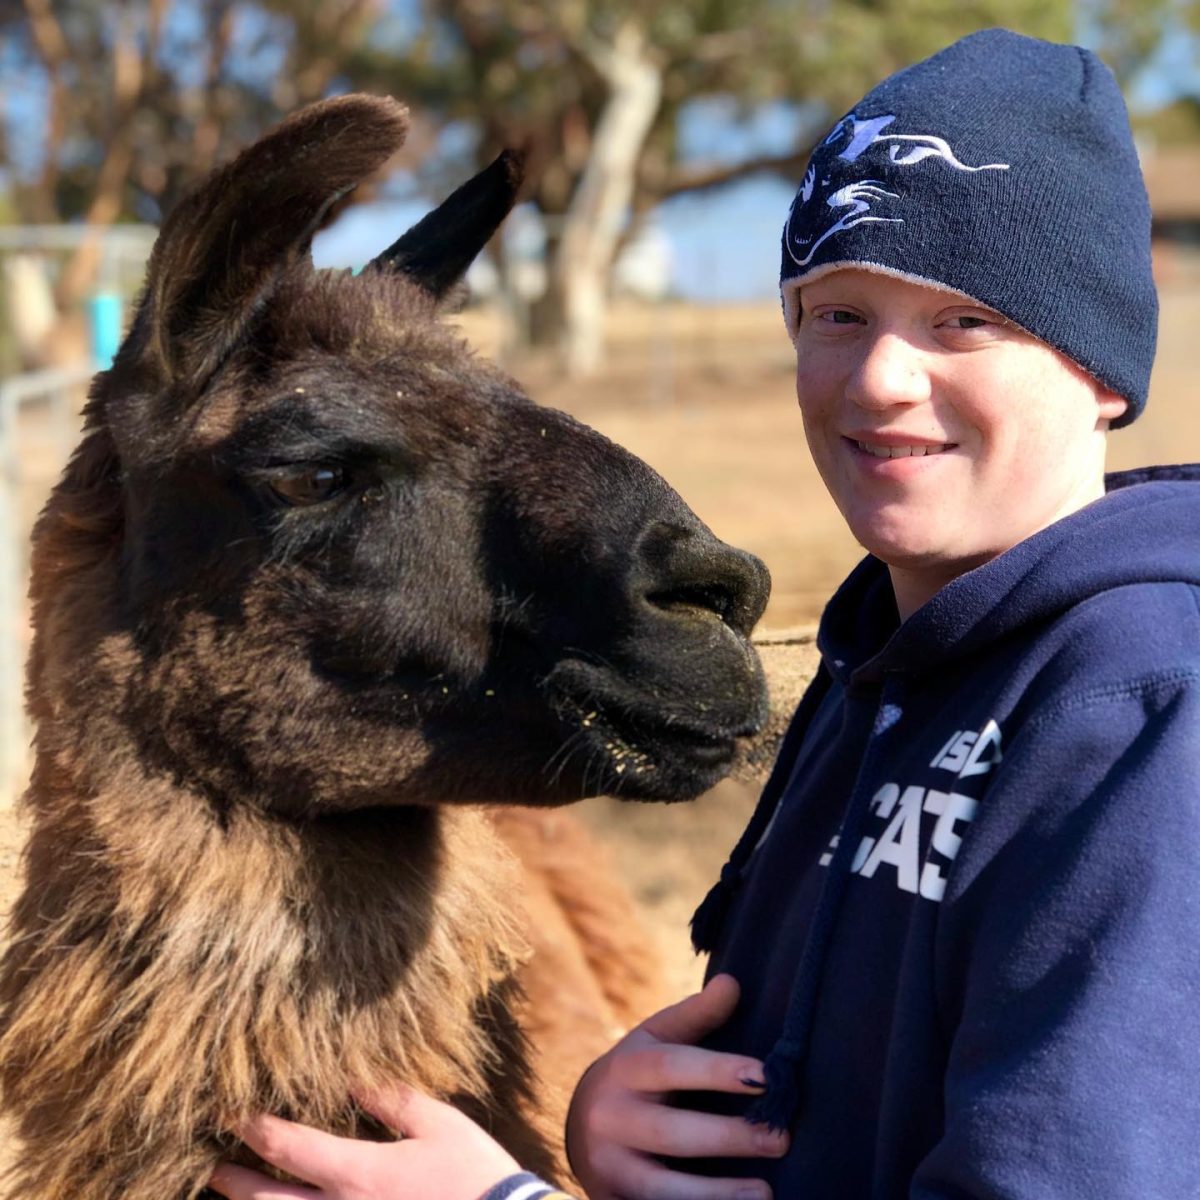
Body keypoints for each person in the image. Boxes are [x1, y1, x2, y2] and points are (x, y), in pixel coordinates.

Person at [209, 26, 1200, 1200]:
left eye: (961, 323)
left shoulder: (1137, 710)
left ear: (1102, 371)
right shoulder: (876, 668)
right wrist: (620, 1126)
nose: (881, 378)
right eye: (838, 314)